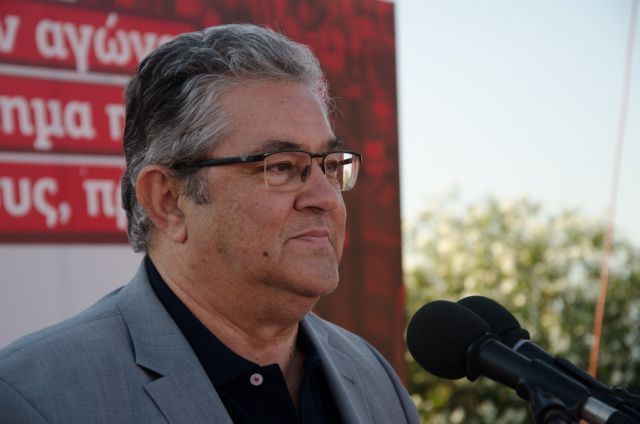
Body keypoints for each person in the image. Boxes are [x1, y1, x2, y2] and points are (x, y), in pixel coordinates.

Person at [0, 24, 418, 424]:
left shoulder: (373, 378)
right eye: (281, 166)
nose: (326, 197)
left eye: (329, 165)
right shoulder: (34, 398)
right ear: (168, 200)